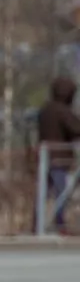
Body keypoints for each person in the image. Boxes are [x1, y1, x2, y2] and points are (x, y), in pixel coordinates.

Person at [37, 76, 80, 234]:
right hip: (59, 158)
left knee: (44, 193)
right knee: (61, 192)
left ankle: (38, 224)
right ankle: (60, 224)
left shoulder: (45, 110)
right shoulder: (62, 111)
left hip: (46, 157)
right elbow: (76, 128)